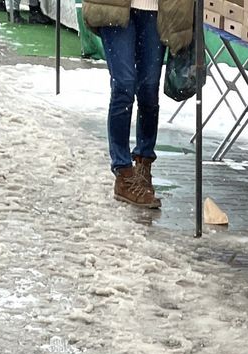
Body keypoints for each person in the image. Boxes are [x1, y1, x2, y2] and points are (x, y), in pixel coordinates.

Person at [82, 0, 194, 208]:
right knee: (123, 86)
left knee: (149, 91)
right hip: (112, 7)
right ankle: (123, 172)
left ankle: (144, 164)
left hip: (155, 9)